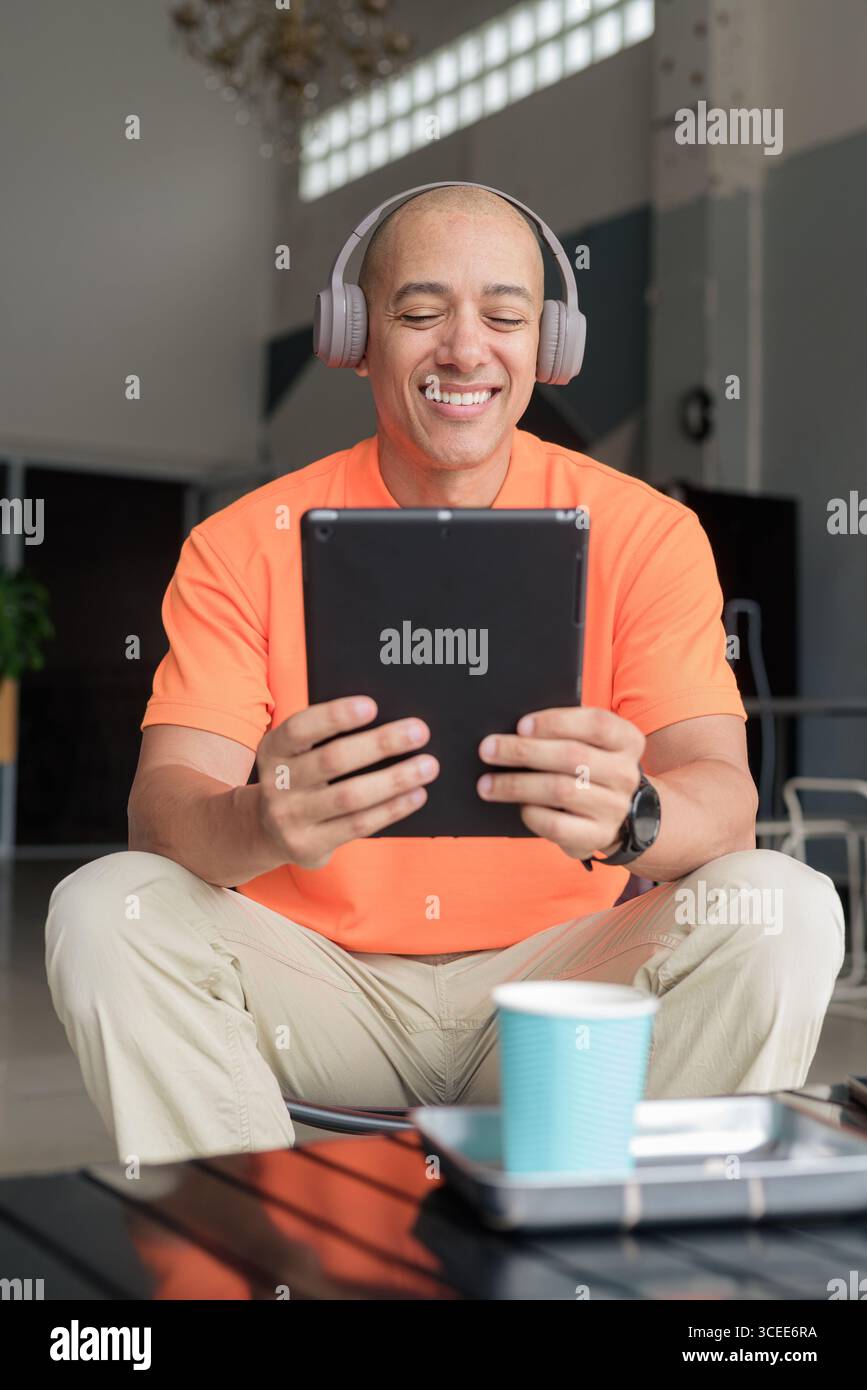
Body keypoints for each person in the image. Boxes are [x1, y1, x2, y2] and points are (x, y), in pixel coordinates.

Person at [45, 184, 844, 1164]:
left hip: (558, 996)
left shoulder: (647, 534)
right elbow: (160, 811)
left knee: (783, 905)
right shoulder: (243, 543)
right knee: (102, 909)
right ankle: (258, 1250)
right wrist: (261, 816)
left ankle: (606, 1251)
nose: (465, 349)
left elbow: (724, 796)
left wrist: (636, 816)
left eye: (504, 316)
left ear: (548, 345)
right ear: (357, 335)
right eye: (421, 314)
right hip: (324, 990)